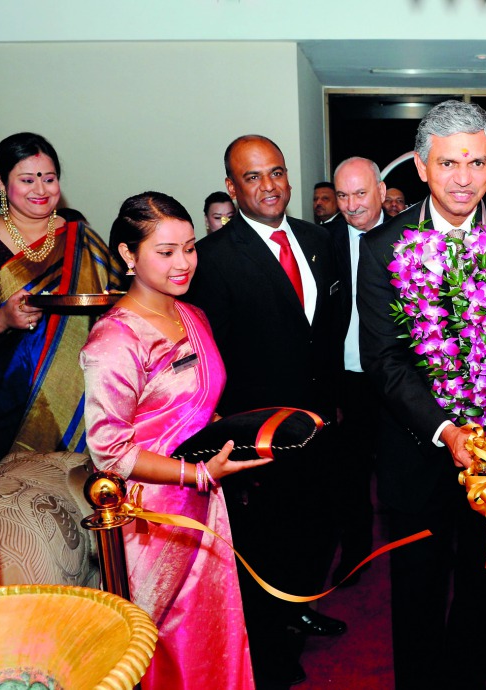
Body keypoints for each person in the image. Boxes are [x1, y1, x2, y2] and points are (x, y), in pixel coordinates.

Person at [358, 100, 486, 689]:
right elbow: (385, 359)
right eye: (448, 164)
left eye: (476, 162)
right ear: (422, 167)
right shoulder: (384, 246)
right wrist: (445, 430)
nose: (464, 178)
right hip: (418, 449)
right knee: (416, 589)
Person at [81, 191, 263, 690]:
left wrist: (233, 435)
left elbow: (193, 406)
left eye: (190, 247)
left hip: (205, 500)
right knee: (166, 643)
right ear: (127, 256)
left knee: (214, 631)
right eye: (165, 252)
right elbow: (109, 451)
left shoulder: (192, 315)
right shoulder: (114, 340)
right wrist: (195, 473)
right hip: (151, 516)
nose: (183, 263)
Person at [183, 135, 345, 687]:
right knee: (265, 547)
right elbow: (213, 360)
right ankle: (270, 657)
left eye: (276, 172)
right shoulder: (212, 259)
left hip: (321, 425)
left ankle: (298, 611)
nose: (269, 185)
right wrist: (232, 436)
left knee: (316, 531)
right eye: (253, 177)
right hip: (259, 436)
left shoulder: (318, 241)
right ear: (232, 187)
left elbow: (325, 333)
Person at [0, 132, 122, 467]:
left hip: (86, 389)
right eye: (27, 179)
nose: (41, 189)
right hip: (13, 398)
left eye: (49, 179)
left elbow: (115, 296)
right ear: (1, 182)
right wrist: (3, 319)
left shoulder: (76, 230)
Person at [327, 156, 388, 586]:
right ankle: (355, 554)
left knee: (402, 474)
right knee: (348, 475)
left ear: (382, 192)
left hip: (401, 380)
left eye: (360, 194)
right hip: (346, 379)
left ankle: (411, 547)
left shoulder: (414, 236)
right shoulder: (321, 240)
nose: (351, 205)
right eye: (342, 196)